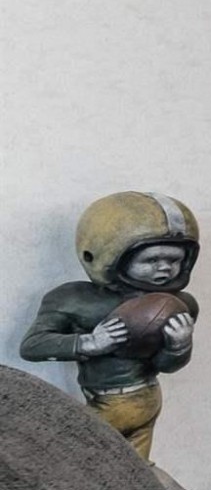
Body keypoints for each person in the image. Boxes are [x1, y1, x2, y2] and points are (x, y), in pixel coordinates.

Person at [19, 191, 201, 460]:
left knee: (72, 461)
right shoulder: (73, 298)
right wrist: (88, 343)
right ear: (109, 253)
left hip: (137, 397)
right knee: (124, 471)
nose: (164, 269)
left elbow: (165, 366)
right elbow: (32, 347)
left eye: (174, 260)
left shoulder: (177, 304)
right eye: (151, 260)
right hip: (104, 398)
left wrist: (178, 346)